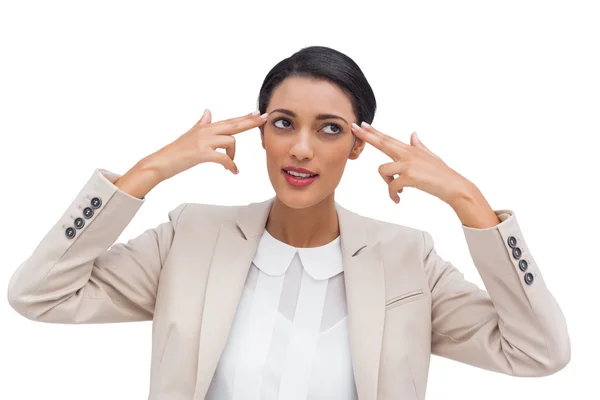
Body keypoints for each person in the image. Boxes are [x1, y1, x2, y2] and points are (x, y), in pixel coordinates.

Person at [6, 45, 570, 400]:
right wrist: (148, 171)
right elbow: (39, 295)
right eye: (282, 123)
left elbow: (539, 353)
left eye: (329, 128)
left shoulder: (407, 258)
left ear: (357, 145)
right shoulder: (190, 237)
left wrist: (469, 202)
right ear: (259, 132)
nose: (301, 149)